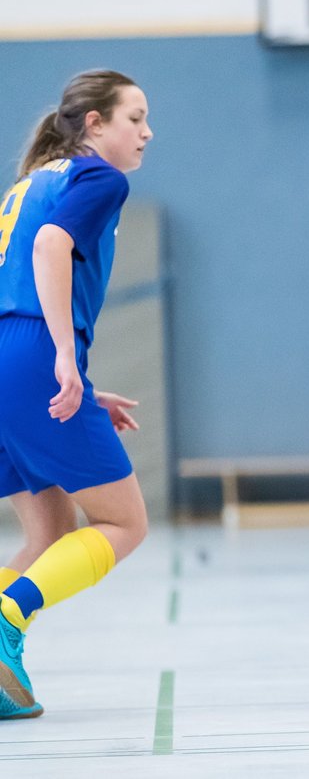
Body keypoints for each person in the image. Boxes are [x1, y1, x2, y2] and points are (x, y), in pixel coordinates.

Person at [0, 70, 154, 720]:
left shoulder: (29, 182)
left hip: (9, 359)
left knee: (50, 531)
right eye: (134, 117)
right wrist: (64, 356)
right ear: (94, 123)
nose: (146, 133)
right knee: (124, 523)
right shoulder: (100, 179)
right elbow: (51, 246)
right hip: (32, 354)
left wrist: (77, 384)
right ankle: (7, 619)